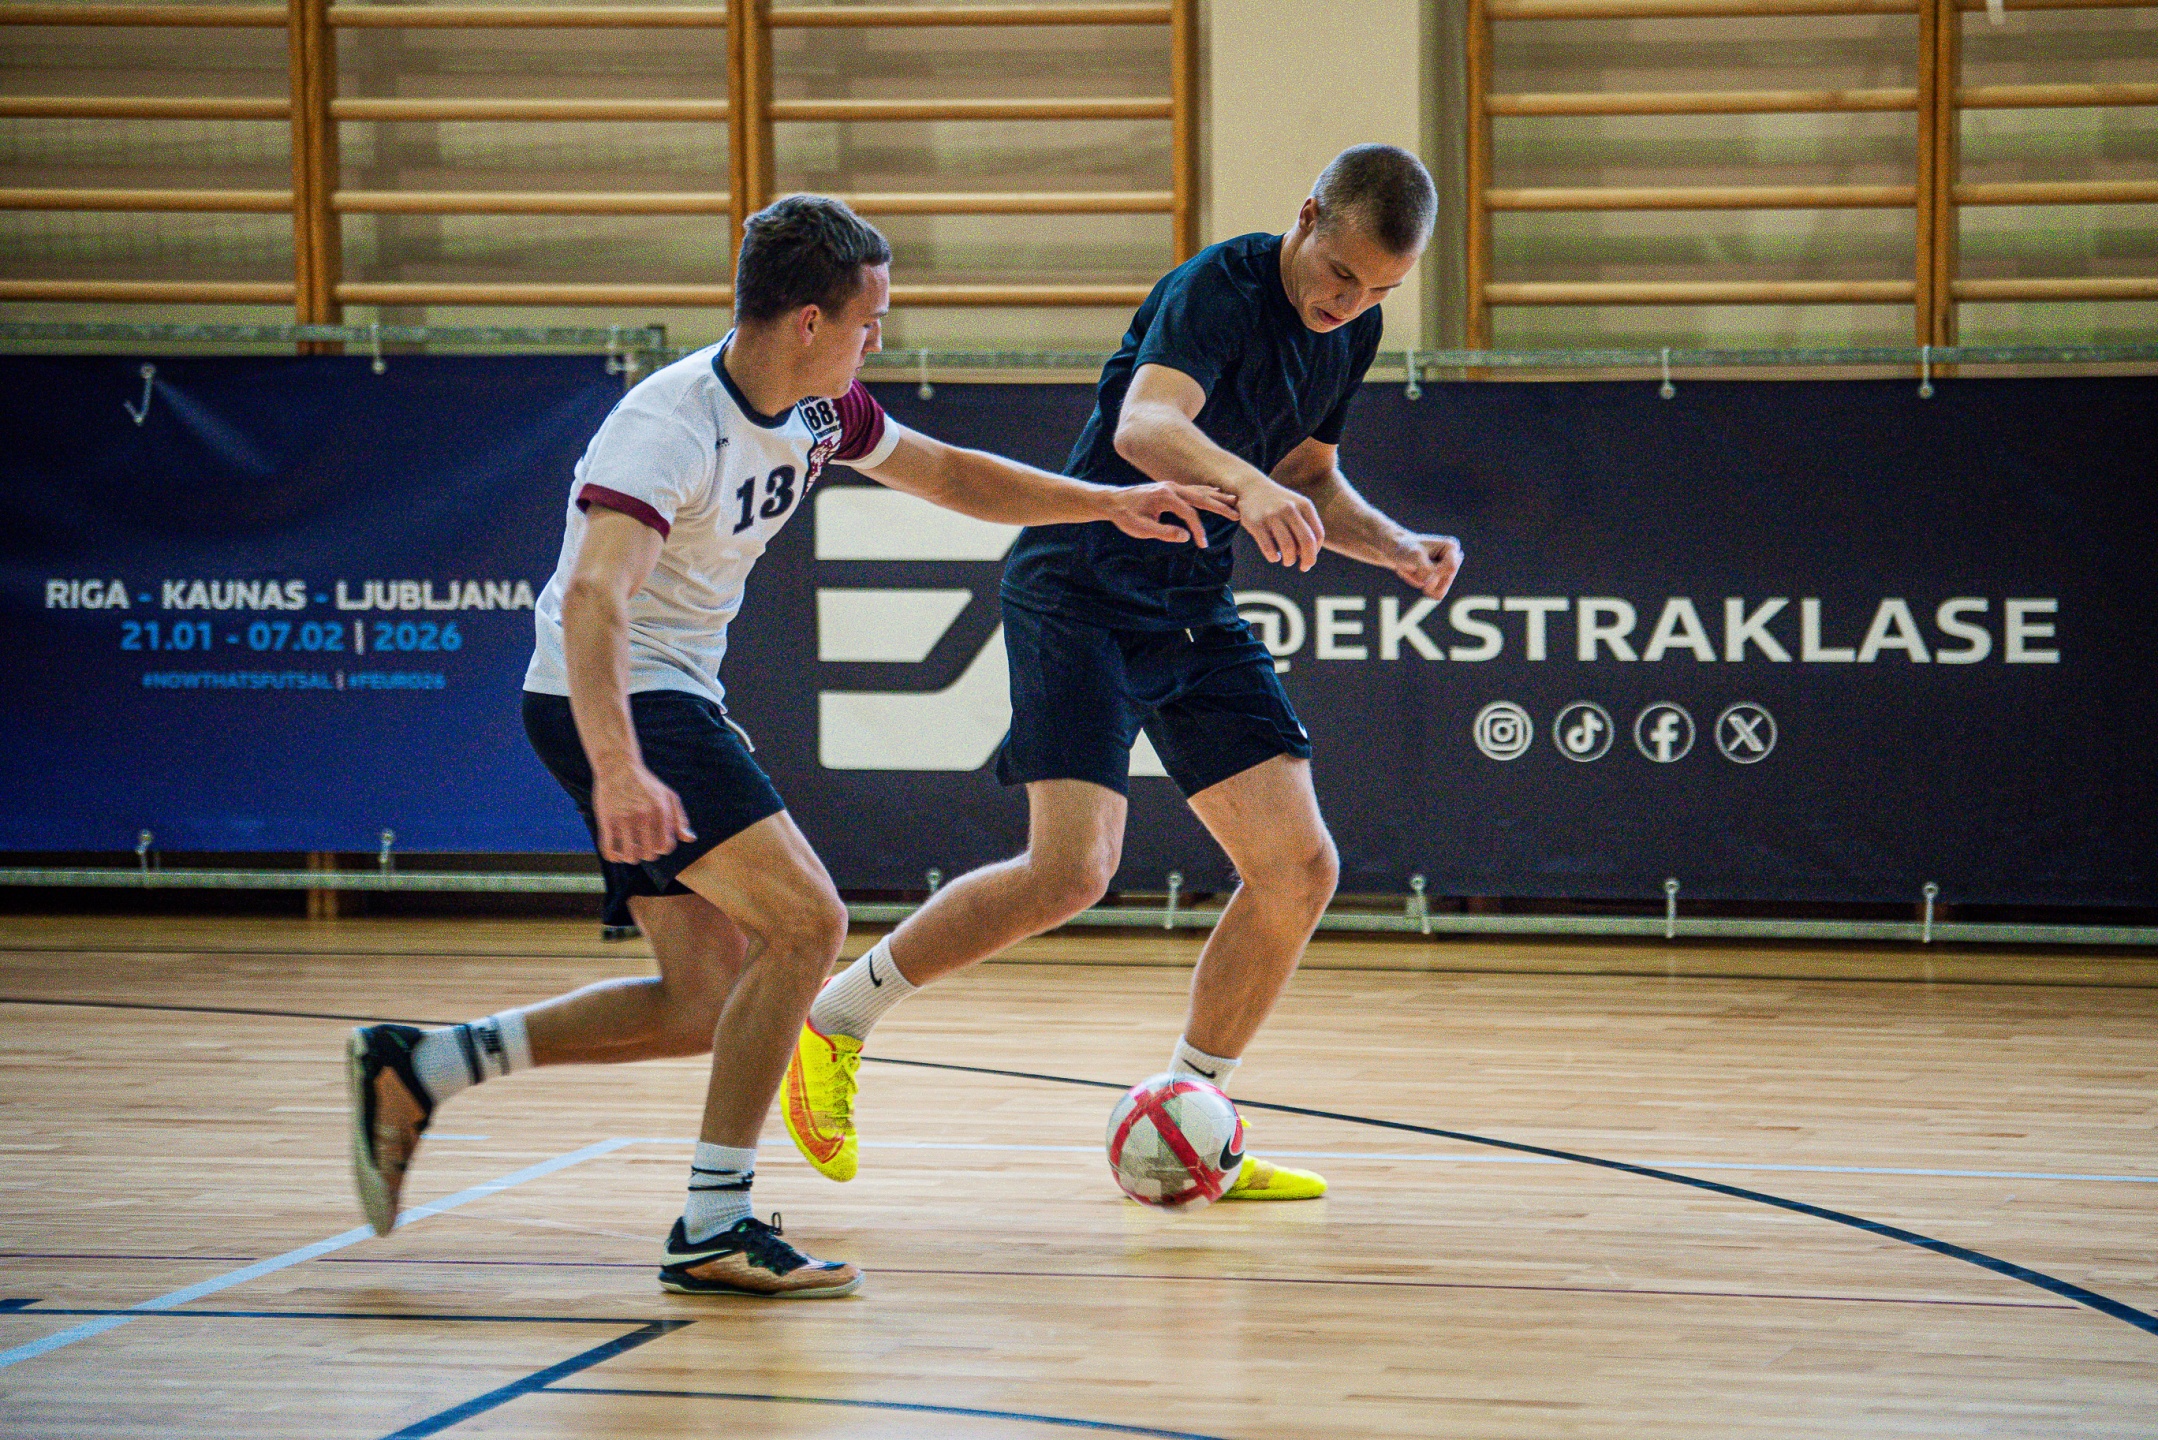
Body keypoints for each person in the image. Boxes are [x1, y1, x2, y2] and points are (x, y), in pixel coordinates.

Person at [345, 195, 1237, 1298]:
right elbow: (592, 599)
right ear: (810, 321)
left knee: (701, 1002)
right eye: (870, 321)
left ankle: (421, 1065)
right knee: (809, 922)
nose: (880, 341)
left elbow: (949, 474)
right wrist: (618, 764)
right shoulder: (670, 426)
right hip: (621, 697)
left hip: (666, 697)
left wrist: (1106, 504)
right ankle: (713, 1223)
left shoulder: (821, 411)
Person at [783, 144, 1465, 1200]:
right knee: (1071, 872)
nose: (1352, 304)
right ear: (1305, 218)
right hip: (1079, 581)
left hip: (1187, 601)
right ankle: (835, 1022)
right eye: (1342, 275)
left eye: (1380, 290)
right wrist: (1249, 487)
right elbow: (1146, 426)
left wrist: (1395, 544)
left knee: (1297, 869)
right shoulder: (1218, 288)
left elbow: (1308, 476)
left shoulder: (1352, 328)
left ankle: (1195, 1121)